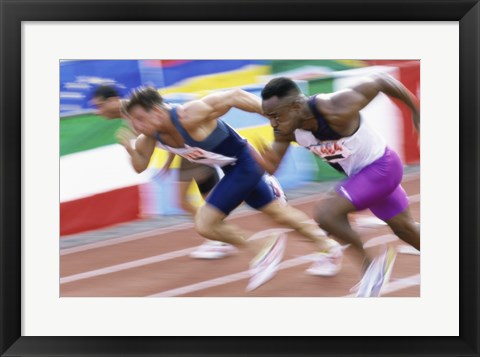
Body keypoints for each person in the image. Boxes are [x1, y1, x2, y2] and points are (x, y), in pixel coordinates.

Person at [123, 86, 344, 291]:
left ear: (157, 111)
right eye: (134, 122)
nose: (138, 127)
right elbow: (140, 166)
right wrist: (130, 150)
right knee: (279, 213)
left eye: (140, 119)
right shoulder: (149, 137)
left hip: (244, 161)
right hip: (229, 167)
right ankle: (328, 247)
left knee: (206, 223)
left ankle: (263, 246)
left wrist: (273, 117)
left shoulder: (190, 114)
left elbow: (235, 96)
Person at [257, 75, 420, 297]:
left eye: (276, 116)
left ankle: (373, 266)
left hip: (383, 167)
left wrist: (415, 109)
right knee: (406, 229)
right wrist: (256, 158)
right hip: (361, 177)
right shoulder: (286, 130)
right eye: (269, 117)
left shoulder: (336, 107)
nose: (273, 124)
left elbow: (380, 81)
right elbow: (272, 165)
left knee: (326, 213)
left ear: (296, 106)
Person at [91, 85, 235, 259]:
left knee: (197, 200)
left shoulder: (136, 109)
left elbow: (168, 125)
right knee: (189, 201)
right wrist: (167, 161)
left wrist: (134, 148)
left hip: (192, 148)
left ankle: (219, 237)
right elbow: (165, 133)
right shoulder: (131, 112)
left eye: (99, 106)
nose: (98, 112)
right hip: (184, 151)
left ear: (112, 101)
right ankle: (218, 235)